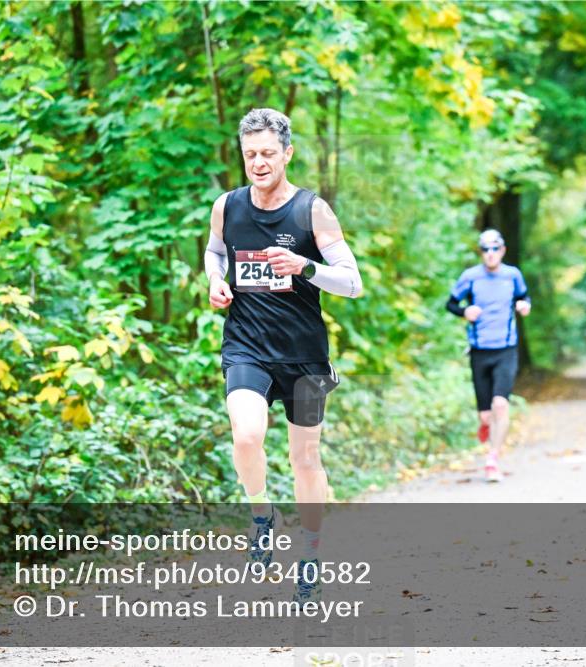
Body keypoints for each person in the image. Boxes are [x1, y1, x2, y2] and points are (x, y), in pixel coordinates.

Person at [203, 108, 363, 604]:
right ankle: (261, 513)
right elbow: (214, 253)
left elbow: (352, 283)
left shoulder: (312, 211)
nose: (258, 162)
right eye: (250, 154)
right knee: (247, 436)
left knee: (305, 458)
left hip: (305, 357)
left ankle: (311, 552)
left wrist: (304, 266)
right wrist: (214, 280)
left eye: (268, 153)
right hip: (247, 345)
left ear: (287, 154)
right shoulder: (226, 207)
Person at [445, 229, 531, 483]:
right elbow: (450, 303)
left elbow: (524, 297)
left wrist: (524, 306)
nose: (490, 254)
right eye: (485, 249)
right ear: (481, 252)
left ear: (502, 250)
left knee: (500, 404)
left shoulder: (512, 275)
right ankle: (485, 425)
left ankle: (493, 459)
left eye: (495, 249)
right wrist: (464, 312)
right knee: (485, 415)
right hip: (480, 351)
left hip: (506, 348)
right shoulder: (470, 277)